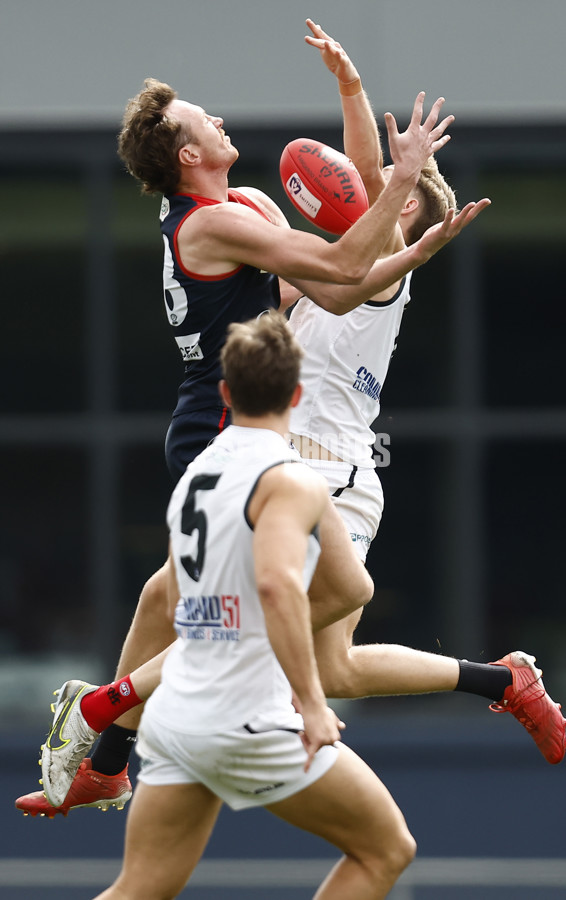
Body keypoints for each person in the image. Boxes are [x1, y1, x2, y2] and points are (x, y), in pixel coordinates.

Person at [18, 36, 558, 819]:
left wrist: (389, 162)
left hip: (321, 464)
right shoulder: (256, 232)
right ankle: (107, 742)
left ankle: (104, 719)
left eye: (388, 194)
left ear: (405, 214)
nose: (358, 185)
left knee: (242, 624)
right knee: (201, 608)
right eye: (362, 183)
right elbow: (342, 247)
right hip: (265, 447)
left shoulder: (362, 260)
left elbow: (354, 242)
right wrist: (357, 99)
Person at [89, 313, 418, 900]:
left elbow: (176, 594)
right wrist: (314, 705)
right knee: (387, 850)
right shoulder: (293, 478)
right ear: (297, 394)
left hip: (174, 719)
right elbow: (292, 588)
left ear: (224, 393)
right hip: (244, 718)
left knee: (139, 888)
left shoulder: (196, 472)